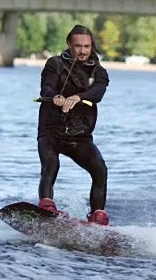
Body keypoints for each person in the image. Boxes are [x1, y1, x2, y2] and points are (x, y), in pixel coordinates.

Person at [36, 24, 110, 226]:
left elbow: (98, 93)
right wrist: (56, 97)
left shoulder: (99, 72)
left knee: (100, 169)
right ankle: (46, 206)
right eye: (78, 46)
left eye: (87, 46)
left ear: (91, 46)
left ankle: (98, 217)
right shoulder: (54, 64)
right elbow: (46, 88)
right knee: (51, 164)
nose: (83, 51)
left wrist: (78, 97)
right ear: (69, 44)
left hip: (79, 137)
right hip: (51, 132)